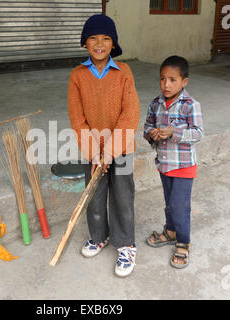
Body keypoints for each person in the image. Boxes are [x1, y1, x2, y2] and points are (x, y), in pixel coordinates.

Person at [68, 14, 140, 277]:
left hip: (121, 150)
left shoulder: (124, 73)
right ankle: (99, 236)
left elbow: (130, 113)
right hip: (92, 152)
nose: (99, 43)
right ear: (85, 43)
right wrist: (96, 153)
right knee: (95, 197)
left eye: (106, 38)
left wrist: (110, 151)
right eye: (93, 38)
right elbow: (78, 118)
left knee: (122, 197)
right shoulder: (77, 75)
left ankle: (126, 244)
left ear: (113, 44)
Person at [143, 55, 204, 269]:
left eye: (172, 79)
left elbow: (198, 133)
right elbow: (147, 127)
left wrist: (173, 132)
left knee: (180, 206)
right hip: (165, 164)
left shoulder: (190, 105)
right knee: (169, 203)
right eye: (162, 79)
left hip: (184, 165)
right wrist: (152, 133)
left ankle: (183, 242)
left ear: (184, 81)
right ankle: (170, 231)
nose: (166, 84)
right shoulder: (156, 103)